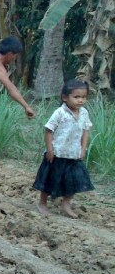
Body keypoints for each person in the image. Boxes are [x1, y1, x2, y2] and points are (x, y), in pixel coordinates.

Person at [33, 78, 94, 218]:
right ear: (65, 97)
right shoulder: (60, 113)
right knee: (50, 179)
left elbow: (86, 131)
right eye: (76, 97)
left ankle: (66, 203)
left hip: (73, 153)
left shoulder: (83, 112)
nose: (80, 100)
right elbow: (49, 130)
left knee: (73, 180)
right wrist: (50, 149)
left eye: (83, 97)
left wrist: (83, 149)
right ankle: (42, 203)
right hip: (57, 153)